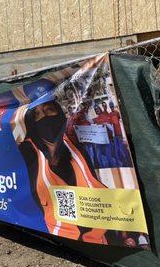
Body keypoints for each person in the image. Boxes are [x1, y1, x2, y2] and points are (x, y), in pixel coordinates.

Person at [16, 101, 107, 244]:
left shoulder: (75, 145)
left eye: (49, 110)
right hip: (56, 239)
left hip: (99, 241)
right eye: (37, 114)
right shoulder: (27, 151)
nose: (44, 117)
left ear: (58, 112)